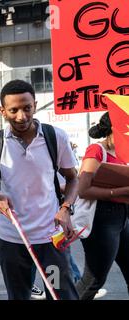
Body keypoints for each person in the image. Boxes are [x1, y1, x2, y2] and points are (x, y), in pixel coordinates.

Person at [0, 79, 79, 300]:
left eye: (27, 108)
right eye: (13, 110)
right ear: (3, 111)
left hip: (50, 241)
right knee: (19, 295)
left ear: (35, 105)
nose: (21, 116)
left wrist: (66, 208)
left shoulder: (55, 136)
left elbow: (72, 179)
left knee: (58, 292)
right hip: (11, 241)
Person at [75, 112, 129, 300]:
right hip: (100, 218)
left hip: (123, 216)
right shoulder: (97, 150)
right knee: (94, 280)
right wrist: (118, 192)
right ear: (114, 130)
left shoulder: (125, 150)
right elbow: (83, 190)